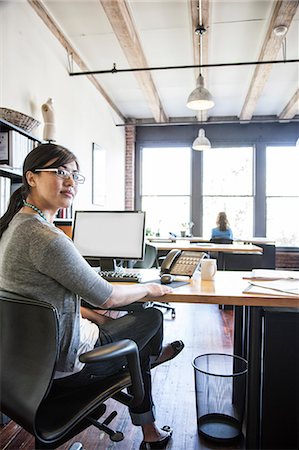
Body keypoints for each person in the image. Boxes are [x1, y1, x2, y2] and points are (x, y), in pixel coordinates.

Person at [0, 143, 184, 449]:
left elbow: (42, 304)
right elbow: (107, 297)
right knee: (149, 315)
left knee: (120, 327)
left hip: (22, 367)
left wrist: (95, 316)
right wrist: (151, 288)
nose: (71, 182)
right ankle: (148, 367)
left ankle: (149, 387)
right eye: (60, 172)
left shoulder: (11, 228)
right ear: (31, 178)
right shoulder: (46, 238)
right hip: (67, 366)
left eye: (75, 175)